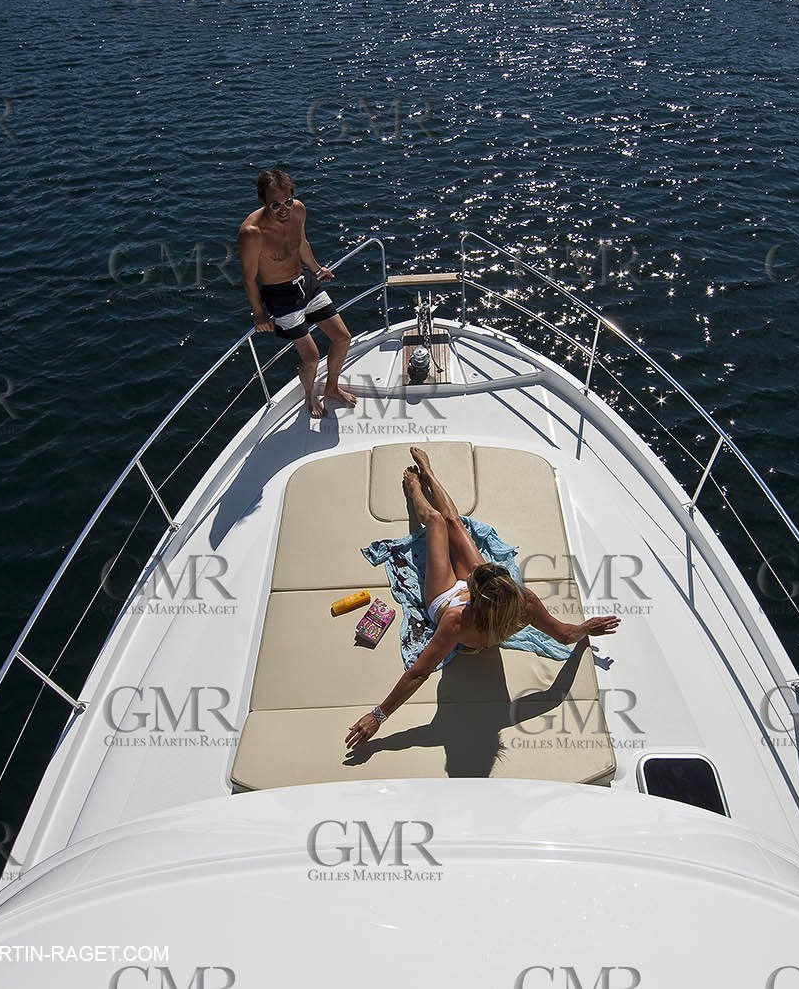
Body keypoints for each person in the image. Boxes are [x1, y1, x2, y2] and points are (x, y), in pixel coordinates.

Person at [345, 447, 621, 750]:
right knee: (455, 521)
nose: (476, 570)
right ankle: (428, 472)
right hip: (486, 603)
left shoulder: (454, 622)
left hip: (444, 598)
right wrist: (585, 628)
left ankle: (414, 488)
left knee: (437, 522)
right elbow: (565, 635)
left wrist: (378, 716)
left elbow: (419, 672)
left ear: (474, 597)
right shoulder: (524, 602)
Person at [238, 169, 357, 419]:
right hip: (280, 296)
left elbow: (301, 243)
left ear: (293, 196)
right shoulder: (252, 232)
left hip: (306, 283)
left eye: (288, 201)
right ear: (263, 201)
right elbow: (249, 278)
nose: (284, 209)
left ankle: (332, 387)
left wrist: (316, 269)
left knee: (343, 337)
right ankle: (309, 395)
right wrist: (259, 314)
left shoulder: (298, 211)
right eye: (275, 204)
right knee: (312, 356)